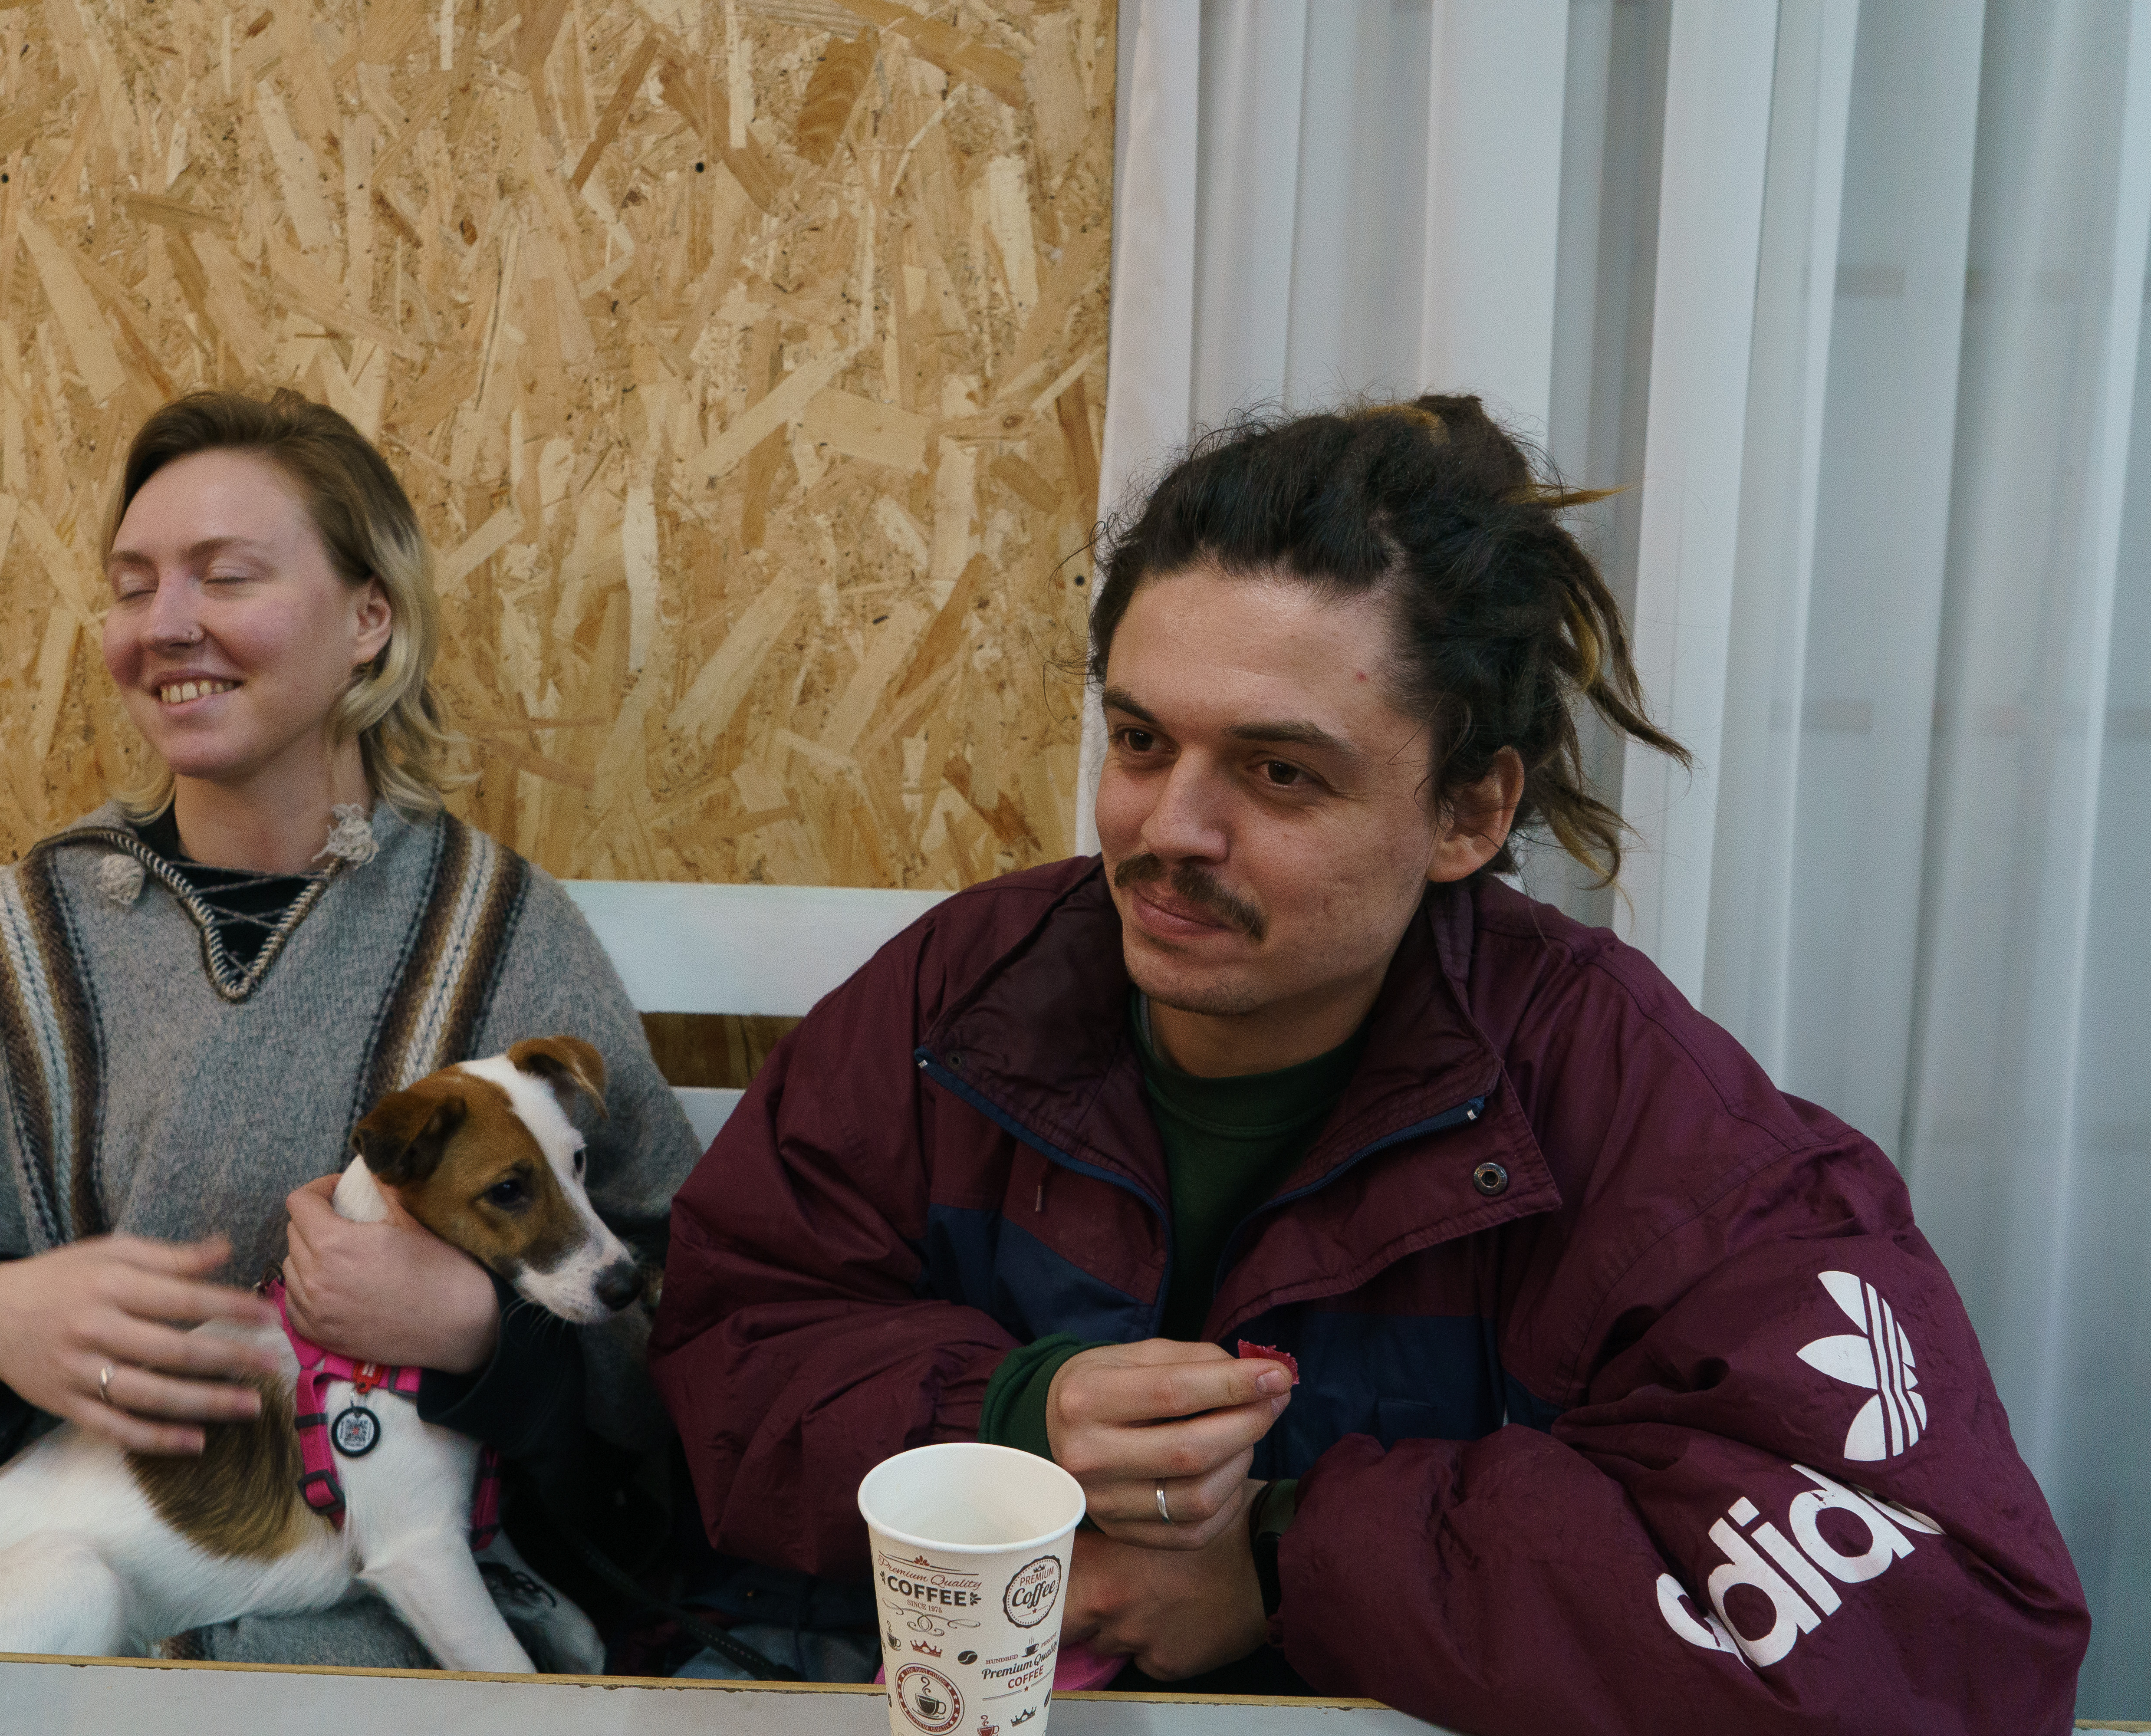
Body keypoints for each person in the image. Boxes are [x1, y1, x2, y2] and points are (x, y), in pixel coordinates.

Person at [649, 398, 2090, 1731]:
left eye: (1282, 773)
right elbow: (729, 1341)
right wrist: (1012, 1420)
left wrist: (1285, 1562)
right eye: (1142, 741)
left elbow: (1951, 1621)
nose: (1173, 831)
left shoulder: (1645, 1114)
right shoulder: (963, 992)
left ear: (1465, 814)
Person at [0, 389, 697, 1666]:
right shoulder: (37, 940)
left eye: (227, 576)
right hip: (49, 1561)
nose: (167, 626)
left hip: (386, 1595)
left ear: (368, 623)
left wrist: (478, 1337)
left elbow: (690, 1351)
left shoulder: (500, 935)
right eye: (132, 587)